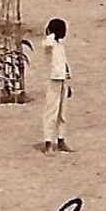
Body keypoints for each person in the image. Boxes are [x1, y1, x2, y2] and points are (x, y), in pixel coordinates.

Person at [39, 18, 73, 154]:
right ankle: (48, 143)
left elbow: (64, 64)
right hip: (52, 81)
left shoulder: (60, 46)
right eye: (62, 30)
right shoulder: (50, 44)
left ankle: (61, 139)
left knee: (62, 113)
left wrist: (68, 82)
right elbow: (47, 42)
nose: (64, 33)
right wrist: (50, 33)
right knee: (51, 112)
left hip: (62, 80)